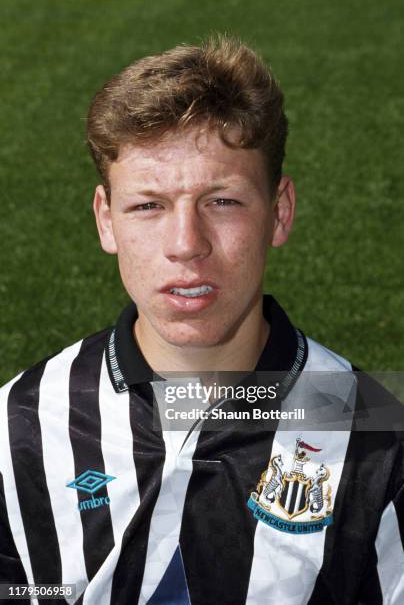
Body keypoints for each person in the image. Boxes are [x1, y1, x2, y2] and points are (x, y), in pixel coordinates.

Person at [0, 35, 403, 605]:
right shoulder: (18, 426)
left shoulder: (378, 439)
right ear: (106, 221)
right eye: (148, 205)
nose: (186, 245)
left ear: (279, 212)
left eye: (222, 201)